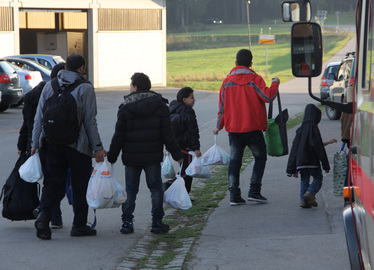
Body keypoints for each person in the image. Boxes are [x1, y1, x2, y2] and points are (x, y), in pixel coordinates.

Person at [31, 53, 107, 240]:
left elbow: (39, 118)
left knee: (52, 183)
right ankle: (79, 226)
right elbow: (90, 121)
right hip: (78, 146)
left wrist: (34, 144)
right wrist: (97, 147)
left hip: (52, 144)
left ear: (65, 68)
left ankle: (44, 217)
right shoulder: (86, 88)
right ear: (82, 68)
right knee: (80, 185)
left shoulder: (50, 85)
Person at [107, 72, 183, 234]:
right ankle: (157, 222)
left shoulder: (126, 107)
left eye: (130, 85)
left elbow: (118, 135)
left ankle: (127, 222)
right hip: (152, 156)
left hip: (131, 157)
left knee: (131, 190)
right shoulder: (160, 106)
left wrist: (112, 156)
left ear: (135, 87)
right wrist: (177, 154)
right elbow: (167, 134)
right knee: (155, 189)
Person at [213, 49, 280, 206]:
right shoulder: (255, 79)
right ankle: (254, 191)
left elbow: (221, 107)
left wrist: (218, 126)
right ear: (251, 63)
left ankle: (234, 196)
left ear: (235, 63)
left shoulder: (226, 81)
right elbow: (268, 97)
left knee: (235, 160)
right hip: (253, 127)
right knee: (260, 157)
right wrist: (275, 83)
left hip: (233, 129)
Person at [17, 62, 66, 229]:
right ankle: (53, 216)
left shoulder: (32, 96)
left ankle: (48, 213)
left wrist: (23, 144)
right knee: (55, 181)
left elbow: (27, 123)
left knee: (48, 181)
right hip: (51, 143)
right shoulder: (58, 94)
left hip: (35, 144)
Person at [286, 104, 337, 208]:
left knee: (304, 180)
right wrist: (325, 166)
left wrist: (290, 168)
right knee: (318, 178)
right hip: (312, 162)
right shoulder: (314, 129)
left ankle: (303, 201)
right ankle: (310, 193)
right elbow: (318, 147)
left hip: (301, 162)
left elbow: (294, 148)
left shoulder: (299, 129)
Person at [168, 87, 201, 193]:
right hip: (186, 146)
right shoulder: (188, 111)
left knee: (185, 169)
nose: (194, 100)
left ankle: (183, 194)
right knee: (187, 171)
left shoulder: (171, 108)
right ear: (184, 99)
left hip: (175, 146)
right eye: (192, 97)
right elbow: (193, 132)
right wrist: (196, 148)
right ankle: (169, 186)